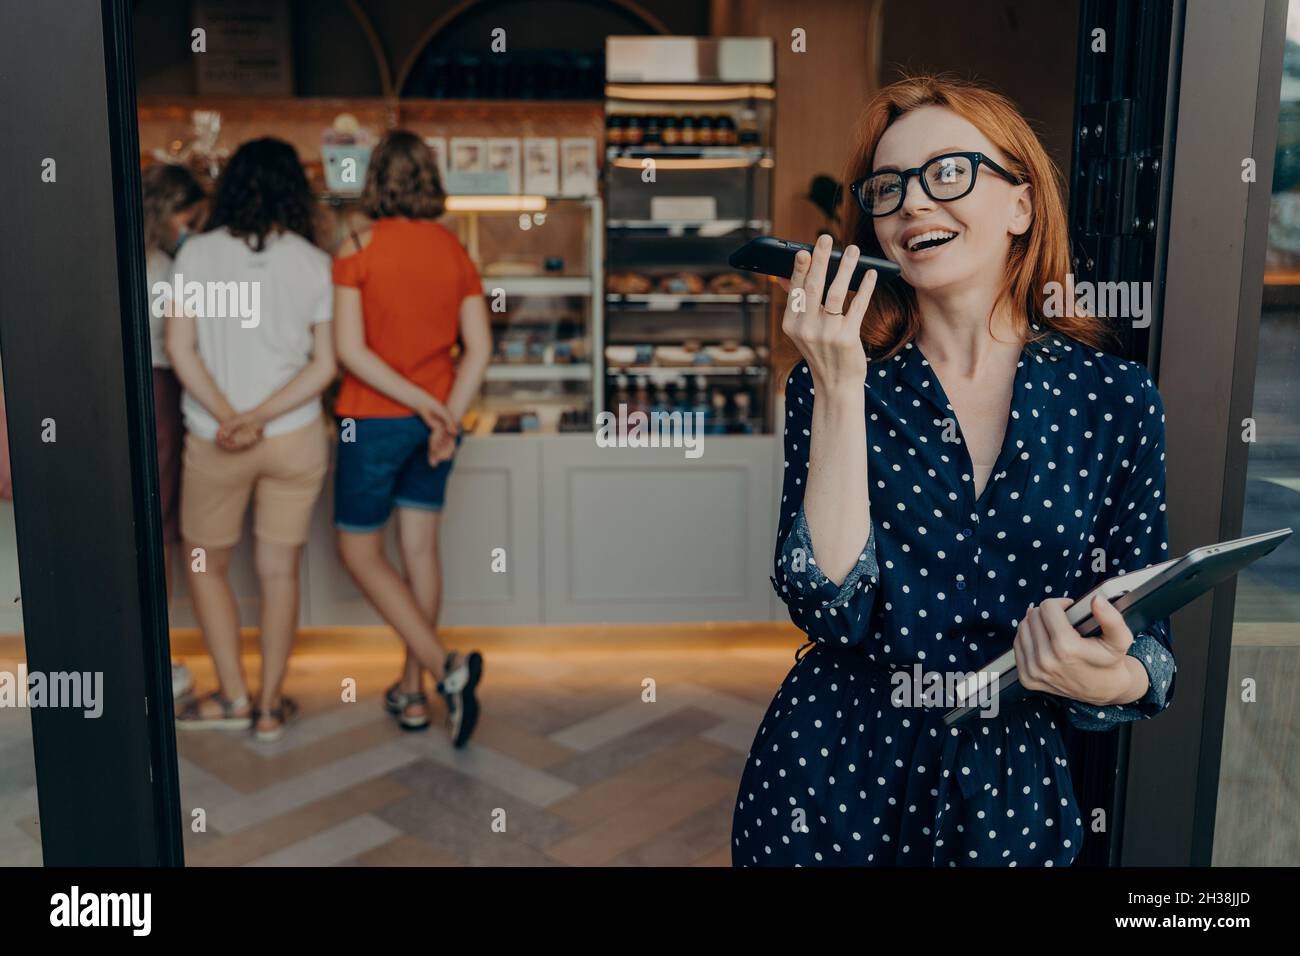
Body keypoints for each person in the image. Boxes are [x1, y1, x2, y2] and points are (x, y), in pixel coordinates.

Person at [732, 75, 1176, 867]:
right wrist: (838, 386)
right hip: (832, 769)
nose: (912, 203)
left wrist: (1107, 681)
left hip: (1009, 787)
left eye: (949, 173)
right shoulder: (832, 378)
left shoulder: (1115, 398)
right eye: (888, 187)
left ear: (1021, 206)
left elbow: (1150, 646)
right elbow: (828, 606)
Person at [166, 138, 336, 742]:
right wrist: (261, 416)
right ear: (294, 189)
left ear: (231, 184)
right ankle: (269, 707)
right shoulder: (314, 263)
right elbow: (324, 366)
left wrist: (231, 418)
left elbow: (179, 349)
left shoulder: (197, 255)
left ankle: (233, 696)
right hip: (292, 437)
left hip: (217, 439)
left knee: (204, 565)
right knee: (279, 571)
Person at [331, 130, 491, 748]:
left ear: (375, 179)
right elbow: (479, 349)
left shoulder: (355, 245)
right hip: (435, 425)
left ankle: (443, 670)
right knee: (419, 553)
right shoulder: (455, 251)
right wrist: (443, 412)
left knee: (359, 553)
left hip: (369, 421)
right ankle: (415, 691)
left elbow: (349, 350)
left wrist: (426, 407)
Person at [142, 163, 208, 702]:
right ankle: (155, 661)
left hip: (111, 398)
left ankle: (127, 654)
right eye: (189, 216)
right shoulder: (170, 268)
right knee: (159, 527)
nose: (194, 227)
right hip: (161, 392)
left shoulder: (105, 257)